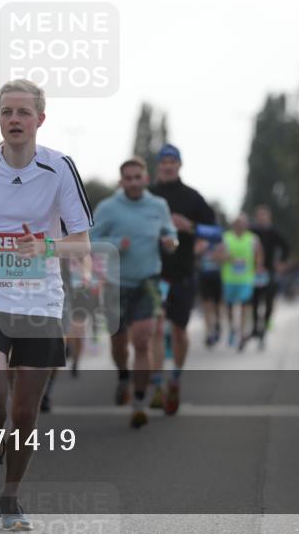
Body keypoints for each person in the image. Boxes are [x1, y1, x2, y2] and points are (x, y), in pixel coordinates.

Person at [0, 79, 92, 530]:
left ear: (40, 120)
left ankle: (10, 499)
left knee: (26, 412)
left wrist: (45, 248)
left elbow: (82, 244)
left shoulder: (59, 169)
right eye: (7, 112)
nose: (14, 119)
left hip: (40, 301)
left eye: (23, 112)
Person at [91, 156, 178, 428]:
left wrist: (171, 242)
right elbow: (89, 240)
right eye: (128, 179)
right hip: (115, 283)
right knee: (118, 343)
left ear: (146, 178)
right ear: (121, 182)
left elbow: (170, 233)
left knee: (142, 340)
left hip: (147, 281)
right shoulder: (108, 208)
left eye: (137, 177)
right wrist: (116, 243)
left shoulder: (158, 206)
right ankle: (123, 376)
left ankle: (139, 402)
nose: (133, 183)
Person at [147, 145, 215, 414]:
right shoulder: (148, 195)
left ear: (179, 165)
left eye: (172, 161)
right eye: (163, 161)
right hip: (152, 273)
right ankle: (157, 384)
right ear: (158, 166)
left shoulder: (192, 197)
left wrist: (191, 227)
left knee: (178, 331)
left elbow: (216, 233)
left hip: (183, 273)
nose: (168, 165)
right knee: (155, 327)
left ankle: (174, 378)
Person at [216, 213, 263, 351]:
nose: (240, 226)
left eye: (243, 223)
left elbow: (259, 254)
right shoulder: (225, 238)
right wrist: (227, 258)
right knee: (229, 307)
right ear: (233, 225)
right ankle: (232, 328)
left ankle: (242, 335)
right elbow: (217, 256)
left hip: (246, 279)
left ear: (246, 225)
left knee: (244, 306)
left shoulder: (253, 238)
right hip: (229, 279)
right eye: (237, 224)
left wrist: (258, 267)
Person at [248, 205, 290, 349]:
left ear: (268, 218)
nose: (262, 218)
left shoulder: (273, 232)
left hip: (269, 271)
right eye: (259, 216)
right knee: (254, 301)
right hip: (253, 271)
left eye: (264, 216)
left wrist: (282, 262)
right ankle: (255, 327)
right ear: (256, 217)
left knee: (269, 301)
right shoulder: (251, 231)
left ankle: (265, 326)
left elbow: (286, 247)